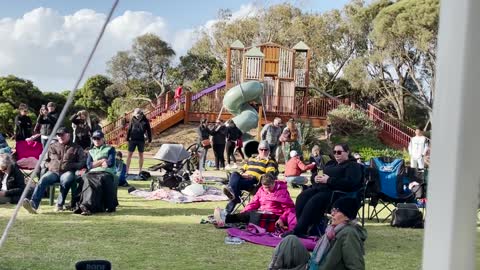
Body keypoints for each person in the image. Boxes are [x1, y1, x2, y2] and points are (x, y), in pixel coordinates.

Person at [283, 143, 363, 237]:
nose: (336, 154)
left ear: (347, 152)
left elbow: (351, 183)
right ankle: (305, 227)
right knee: (302, 197)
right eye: (334, 152)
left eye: (339, 152)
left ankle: (299, 230)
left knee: (314, 201)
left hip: (337, 194)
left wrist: (329, 180)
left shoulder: (353, 166)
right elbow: (319, 172)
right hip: (320, 188)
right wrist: (315, 177)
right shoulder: (331, 163)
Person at [268, 197, 367, 270]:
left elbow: (356, 265)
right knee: (290, 240)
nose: (332, 214)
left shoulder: (349, 233)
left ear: (347, 216)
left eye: (337, 211)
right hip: (313, 265)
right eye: (332, 210)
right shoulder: (332, 229)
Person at [23, 127, 85, 213]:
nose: (60, 137)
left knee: (66, 180)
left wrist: (71, 165)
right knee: (43, 179)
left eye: (62, 135)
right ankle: (33, 205)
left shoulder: (77, 148)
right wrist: (48, 165)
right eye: (58, 135)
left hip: (68, 172)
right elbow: (43, 160)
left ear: (68, 135)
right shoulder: (52, 147)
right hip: (53, 172)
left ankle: (59, 204)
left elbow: (82, 162)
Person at [214, 173, 296, 230]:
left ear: (274, 183)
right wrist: (243, 212)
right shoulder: (261, 190)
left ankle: (225, 219)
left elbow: (289, 209)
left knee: (254, 217)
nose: (267, 190)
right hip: (262, 212)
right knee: (249, 214)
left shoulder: (282, 192)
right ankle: (225, 218)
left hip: (275, 216)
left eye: (269, 187)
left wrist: (282, 219)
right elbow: (254, 203)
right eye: (265, 187)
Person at [223, 140, 278, 213]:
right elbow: (243, 168)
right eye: (261, 149)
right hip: (242, 178)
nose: (263, 151)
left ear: (269, 151)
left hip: (253, 182)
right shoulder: (251, 159)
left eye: (266, 150)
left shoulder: (270, 161)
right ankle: (234, 197)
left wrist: (256, 177)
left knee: (234, 187)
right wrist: (243, 174)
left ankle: (228, 209)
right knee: (234, 174)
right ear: (258, 150)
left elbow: (269, 175)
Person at [75, 130, 117, 215]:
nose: (96, 141)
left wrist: (96, 163)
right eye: (94, 138)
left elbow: (110, 163)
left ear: (103, 139)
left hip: (105, 172)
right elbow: (89, 165)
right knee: (85, 178)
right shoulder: (90, 151)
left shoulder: (110, 149)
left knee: (101, 178)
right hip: (92, 173)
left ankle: (89, 206)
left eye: (98, 138)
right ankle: (86, 205)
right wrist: (102, 160)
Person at [126, 108, 152, 174]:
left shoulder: (145, 120)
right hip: (132, 139)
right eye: (135, 115)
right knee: (129, 155)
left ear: (141, 114)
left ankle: (140, 170)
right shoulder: (132, 119)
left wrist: (149, 140)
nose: (136, 116)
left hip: (141, 140)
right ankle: (127, 170)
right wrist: (127, 138)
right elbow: (129, 129)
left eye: (138, 115)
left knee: (141, 155)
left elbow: (149, 130)